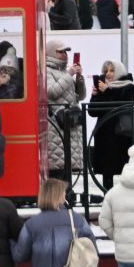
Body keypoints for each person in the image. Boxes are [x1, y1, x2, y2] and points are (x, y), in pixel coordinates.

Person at [88, 62, 134, 190]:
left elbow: (122, 105)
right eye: (106, 71)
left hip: (121, 134)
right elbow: (92, 112)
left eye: (112, 70)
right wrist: (94, 96)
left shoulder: (129, 86)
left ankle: (128, 197)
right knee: (106, 171)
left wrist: (107, 91)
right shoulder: (104, 87)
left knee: (126, 169)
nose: (108, 74)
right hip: (104, 135)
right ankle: (107, 197)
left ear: (119, 71)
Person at [42, 41, 87, 185]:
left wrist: (79, 78)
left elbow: (80, 96)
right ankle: (58, 200)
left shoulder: (63, 71)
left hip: (69, 125)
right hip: (56, 125)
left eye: (66, 52)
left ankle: (66, 198)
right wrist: (69, 74)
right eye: (60, 52)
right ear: (50, 53)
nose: (64, 55)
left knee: (66, 166)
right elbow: (52, 92)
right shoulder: (45, 70)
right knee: (57, 168)